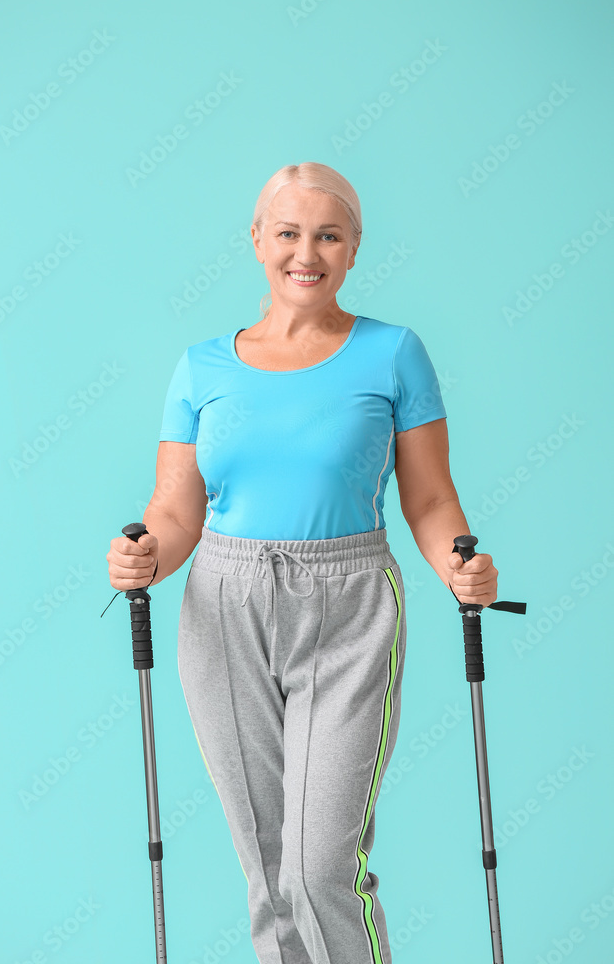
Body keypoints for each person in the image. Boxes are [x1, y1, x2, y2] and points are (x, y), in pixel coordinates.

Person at [107, 161, 498, 964]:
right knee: (266, 866)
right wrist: (144, 555)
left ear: (353, 249)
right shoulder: (202, 366)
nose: (305, 251)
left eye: (327, 234)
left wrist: (459, 566)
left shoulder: (393, 354)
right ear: (257, 241)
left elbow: (428, 501)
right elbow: (175, 510)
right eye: (287, 232)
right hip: (223, 603)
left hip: (348, 600)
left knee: (321, 864)